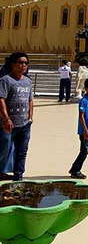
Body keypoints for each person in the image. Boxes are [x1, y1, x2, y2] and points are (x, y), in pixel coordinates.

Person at [0, 52, 34, 181]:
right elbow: (1, 99)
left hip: (24, 123)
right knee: (4, 149)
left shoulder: (28, 81)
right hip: (8, 123)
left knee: (22, 151)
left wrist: (30, 116)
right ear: (13, 64)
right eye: (20, 62)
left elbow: (30, 100)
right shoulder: (5, 80)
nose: (23, 65)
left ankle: (18, 176)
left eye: (25, 63)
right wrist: (6, 119)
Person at [69, 77, 88, 179]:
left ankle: (74, 169)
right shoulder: (83, 101)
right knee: (84, 151)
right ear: (86, 89)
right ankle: (75, 170)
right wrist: (85, 131)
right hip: (85, 131)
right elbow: (81, 116)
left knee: (86, 150)